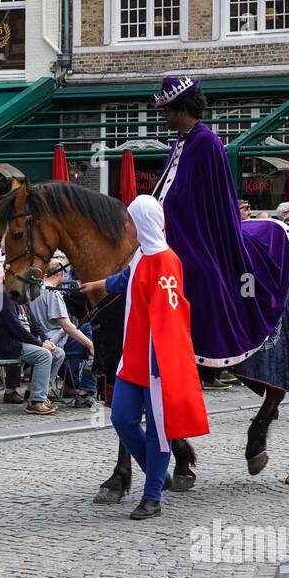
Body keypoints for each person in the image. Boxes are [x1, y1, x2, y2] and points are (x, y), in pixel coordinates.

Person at [79, 196, 208, 519]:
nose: (125, 224)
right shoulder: (141, 255)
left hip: (156, 361)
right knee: (122, 418)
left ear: (142, 223)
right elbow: (127, 280)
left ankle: (152, 497)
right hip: (132, 359)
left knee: (158, 430)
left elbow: (169, 316)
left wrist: (162, 364)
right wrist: (96, 284)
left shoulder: (167, 261)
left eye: (129, 219)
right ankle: (155, 471)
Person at [150, 76, 289, 367]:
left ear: (181, 109)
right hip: (170, 232)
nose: (163, 116)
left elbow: (214, 200)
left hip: (198, 236)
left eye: (166, 110)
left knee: (203, 274)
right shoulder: (179, 142)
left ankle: (207, 345)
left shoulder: (206, 143)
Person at [0, 273, 66, 415]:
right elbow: (14, 326)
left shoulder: (20, 294)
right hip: (4, 344)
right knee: (44, 355)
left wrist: (45, 339)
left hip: (19, 341)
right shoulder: (2, 294)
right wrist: (40, 344)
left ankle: (38, 393)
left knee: (58, 353)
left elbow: (33, 322)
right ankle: (36, 402)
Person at [30, 256, 97, 403]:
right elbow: (67, 326)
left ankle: (72, 384)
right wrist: (89, 345)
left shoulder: (34, 289)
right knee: (92, 341)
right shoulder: (52, 293)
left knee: (85, 331)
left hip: (41, 338)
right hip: (53, 341)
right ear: (61, 274)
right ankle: (85, 390)